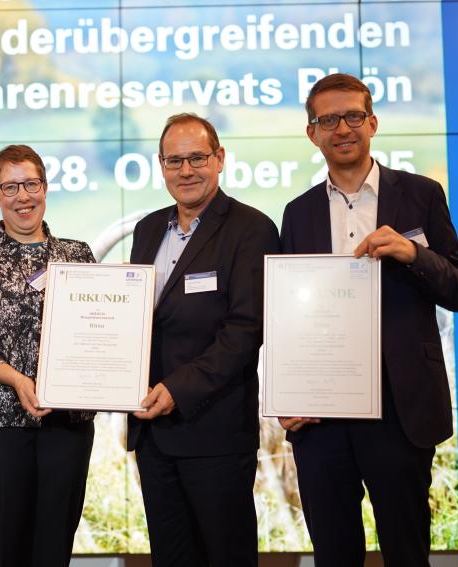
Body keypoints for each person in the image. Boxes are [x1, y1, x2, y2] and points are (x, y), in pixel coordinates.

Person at [279, 73, 458, 565]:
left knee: (407, 551)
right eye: (328, 120)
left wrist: (412, 253)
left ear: (373, 122)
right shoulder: (296, 213)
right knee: (334, 553)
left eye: (352, 116)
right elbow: (287, 316)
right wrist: (287, 394)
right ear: (312, 133)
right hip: (322, 416)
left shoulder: (422, 195)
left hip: (401, 409)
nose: (341, 128)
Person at [127, 113, 281, 566]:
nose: (186, 170)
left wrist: (178, 389)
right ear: (160, 165)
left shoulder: (252, 229)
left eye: (197, 158)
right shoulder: (148, 229)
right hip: (154, 434)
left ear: (219, 160)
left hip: (215, 432)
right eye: (175, 160)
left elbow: (245, 330)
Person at [0, 144, 96, 567]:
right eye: (10, 187)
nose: (23, 196)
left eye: (31, 184)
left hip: (66, 428)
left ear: (45, 187)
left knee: (52, 549)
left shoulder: (77, 254)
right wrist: (16, 379)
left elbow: (100, 329)